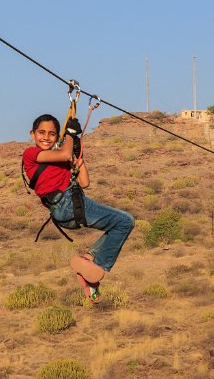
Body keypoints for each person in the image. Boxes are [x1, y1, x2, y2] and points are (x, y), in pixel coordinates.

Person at [22, 113, 134, 303]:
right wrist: (70, 135)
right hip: (65, 205)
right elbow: (63, 153)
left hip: (70, 209)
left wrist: (77, 157)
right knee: (125, 221)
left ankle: (89, 265)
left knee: (119, 225)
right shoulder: (30, 154)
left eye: (51, 134)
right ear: (32, 134)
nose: (46, 138)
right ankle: (95, 267)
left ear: (56, 137)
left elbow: (84, 182)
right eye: (42, 133)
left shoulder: (61, 160)